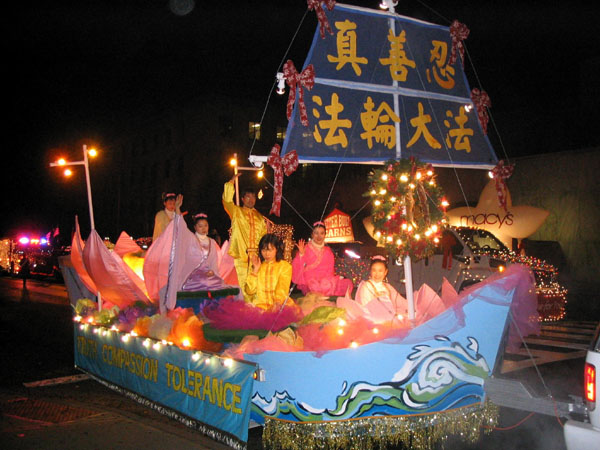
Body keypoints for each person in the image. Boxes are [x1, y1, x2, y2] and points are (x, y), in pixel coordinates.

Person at [222, 173, 267, 299]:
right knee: (243, 287)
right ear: (242, 199)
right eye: (248, 197)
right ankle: (246, 308)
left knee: (255, 285)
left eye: (253, 197)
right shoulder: (236, 212)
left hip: (256, 258)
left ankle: (255, 308)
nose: (251, 199)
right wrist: (231, 182)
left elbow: (263, 238)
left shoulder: (260, 217)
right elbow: (227, 201)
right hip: (241, 256)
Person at [292, 221, 353, 296]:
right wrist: (301, 255)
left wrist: (327, 281)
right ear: (312, 234)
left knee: (348, 283)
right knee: (315, 286)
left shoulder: (328, 251)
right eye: (316, 233)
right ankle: (321, 292)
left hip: (325, 281)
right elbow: (298, 268)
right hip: (310, 281)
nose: (319, 236)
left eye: (322, 233)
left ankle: (323, 291)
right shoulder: (306, 248)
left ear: (325, 235)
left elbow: (330, 271)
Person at [181, 213, 229, 292]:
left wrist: (213, 271)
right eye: (200, 226)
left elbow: (214, 261)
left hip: (208, 273)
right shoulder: (191, 241)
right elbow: (188, 260)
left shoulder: (212, 242)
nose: (203, 228)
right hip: (194, 273)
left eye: (205, 226)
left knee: (218, 282)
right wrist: (198, 271)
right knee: (204, 282)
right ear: (195, 227)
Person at [244, 233, 292, 310]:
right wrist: (255, 270)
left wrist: (278, 301)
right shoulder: (257, 265)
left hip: (279, 305)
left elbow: (282, 286)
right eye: (264, 250)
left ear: (277, 249)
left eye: (270, 250)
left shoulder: (285, 266)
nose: (267, 254)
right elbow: (249, 291)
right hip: (260, 307)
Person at [354, 256, 408, 322]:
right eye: (374, 270)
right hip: (373, 320)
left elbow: (400, 302)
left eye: (380, 271)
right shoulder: (366, 286)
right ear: (370, 271)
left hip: (389, 319)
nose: (377, 274)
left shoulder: (388, 287)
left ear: (385, 272)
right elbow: (366, 307)